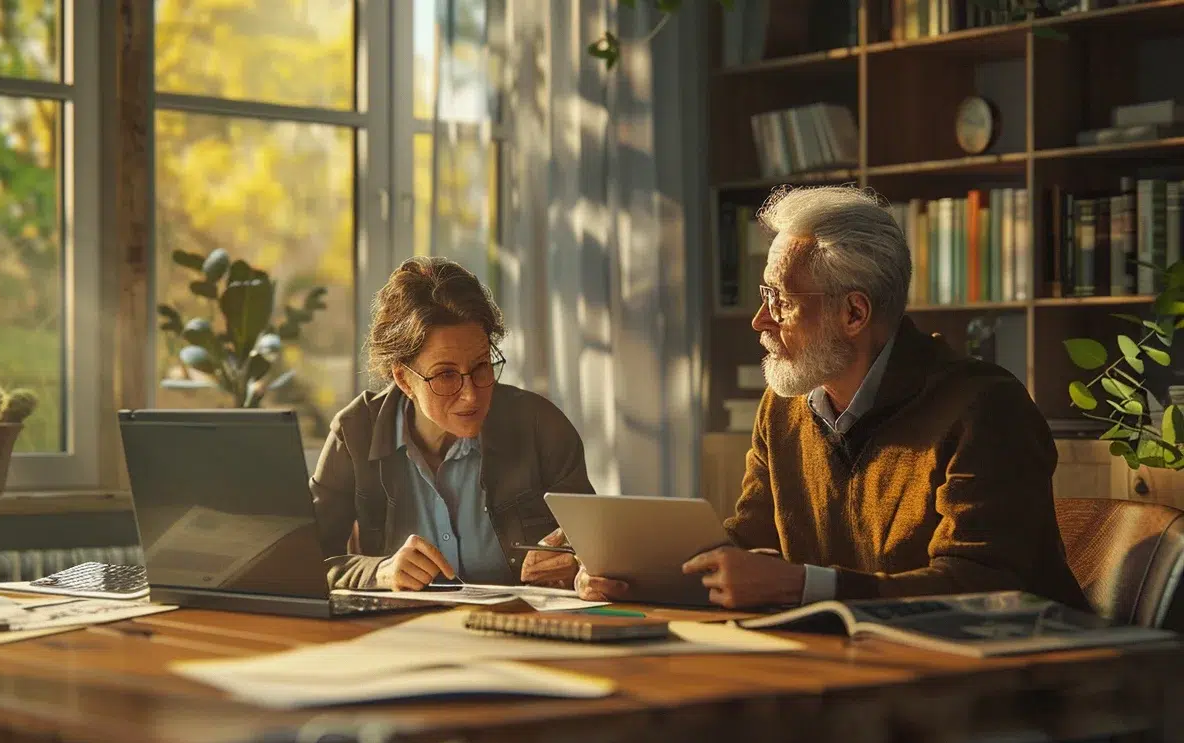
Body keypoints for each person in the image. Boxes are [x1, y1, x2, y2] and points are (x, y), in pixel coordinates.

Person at [579, 184, 1089, 612]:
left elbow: (982, 587)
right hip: (862, 670)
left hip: (1023, 690)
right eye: (763, 297)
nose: (760, 321)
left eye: (779, 301)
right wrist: (633, 571)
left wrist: (801, 587)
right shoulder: (784, 406)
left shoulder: (985, 408)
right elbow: (753, 539)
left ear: (854, 315)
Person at [312, 256, 593, 591]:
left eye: (481, 367)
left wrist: (576, 569)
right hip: (400, 636)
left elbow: (597, 558)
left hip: (522, 632)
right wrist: (381, 572)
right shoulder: (354, 433)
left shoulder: (541, 426)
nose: (471, 396)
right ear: (403, 378)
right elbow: (307, 561)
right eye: (446, 375)